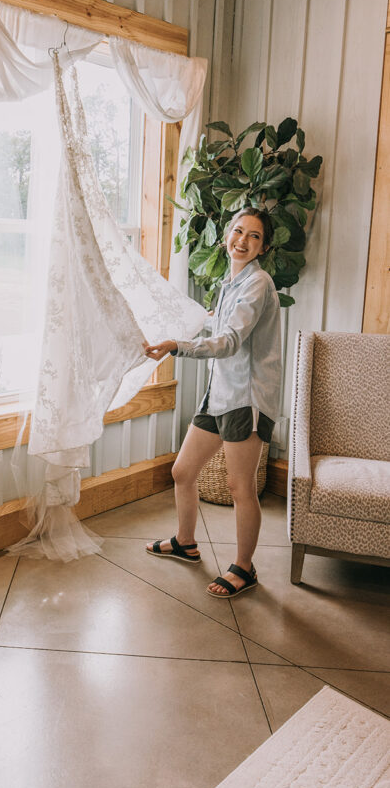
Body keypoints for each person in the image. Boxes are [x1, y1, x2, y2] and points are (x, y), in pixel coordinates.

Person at [143, 207, 282, 598]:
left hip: (246, 399)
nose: (242, 240)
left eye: (254, 236)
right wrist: (180, 320)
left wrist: (178, 347)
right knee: (183, 472)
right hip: (218, 395)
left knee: (240, 488)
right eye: (238, 231)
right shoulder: (231, 281)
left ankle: (244, 568)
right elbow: (218, 323)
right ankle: (186, 543)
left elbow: (230, 341)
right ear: (226, 235)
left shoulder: (258, 283)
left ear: (264, 245)